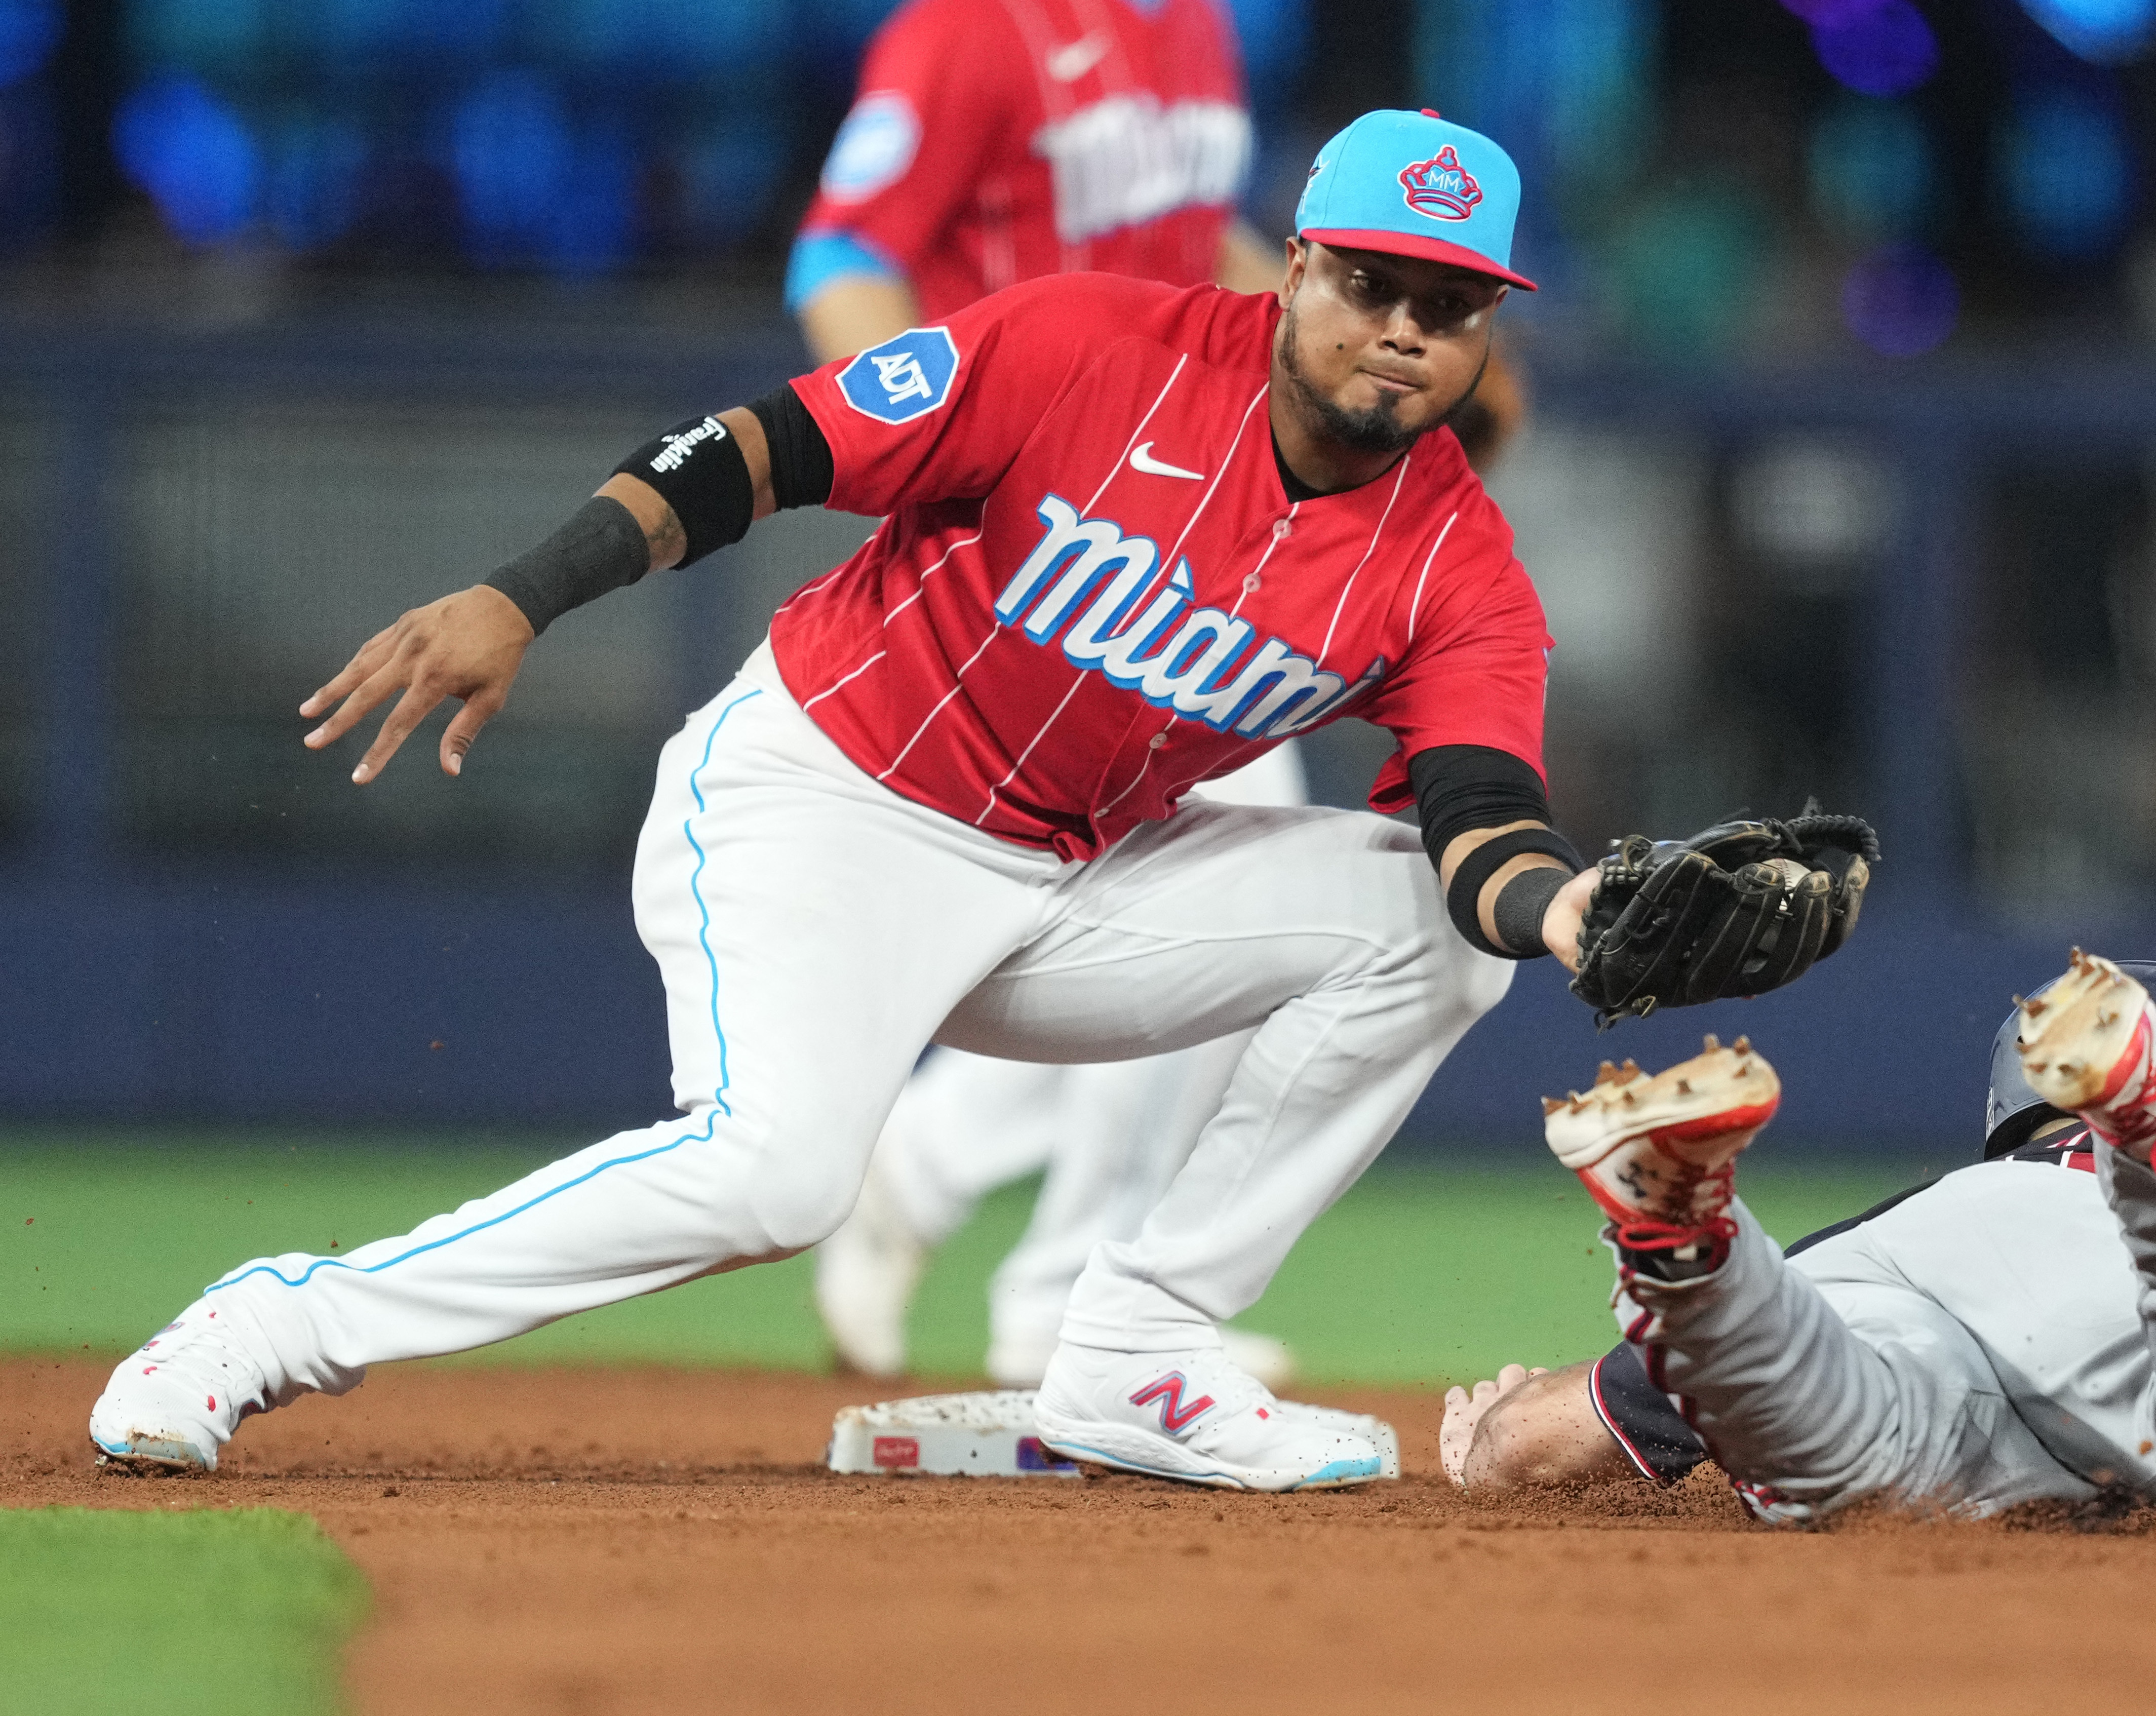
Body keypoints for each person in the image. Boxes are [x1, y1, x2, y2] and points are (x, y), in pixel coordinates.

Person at [89, 111, 1723, 1494]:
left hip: (1070, 886)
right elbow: (758, 449)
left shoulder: (1456, 561)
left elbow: (1478, 813)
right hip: (821, 804)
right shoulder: (1090, 348)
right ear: (1293, 266)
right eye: (1371, 282)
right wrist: (526, 594)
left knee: (1439, 936)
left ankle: (1135, 1358)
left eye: (1448, 304)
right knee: (775, 1179)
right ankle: (272, 1319)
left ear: (1486, 334)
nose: (1401, 331)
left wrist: (1577, 910)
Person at [784, 0, 1308, 1387]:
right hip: (1043, 535)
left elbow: (1191, 236)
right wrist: (919, 453)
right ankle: (1066, 1291)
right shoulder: (969, 27)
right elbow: (845, 251)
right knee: (1242, 905)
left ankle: (941, 1171)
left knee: (1226, 918)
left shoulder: (1193, 24)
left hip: (1184, 524)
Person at [1443, 952, 2156, 1522]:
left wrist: (1488, 1435)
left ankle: (1704, 1268)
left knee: (1838, 1428)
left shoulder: (1908, 1216)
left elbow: (1530, 1448)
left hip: (1916, 1277)